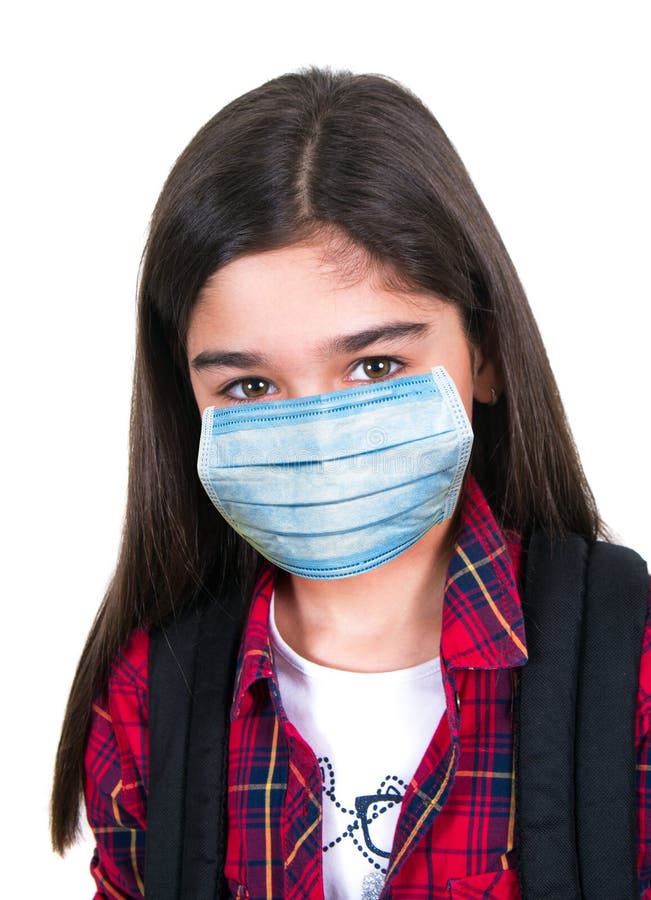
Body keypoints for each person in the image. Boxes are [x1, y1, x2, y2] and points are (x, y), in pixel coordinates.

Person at [50, 65, 651, 899]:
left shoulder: (636, 663)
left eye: (375, 365)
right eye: (250, 387)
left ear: (482, 353)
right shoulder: (151, 691)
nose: (323, 437)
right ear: (188, 399)